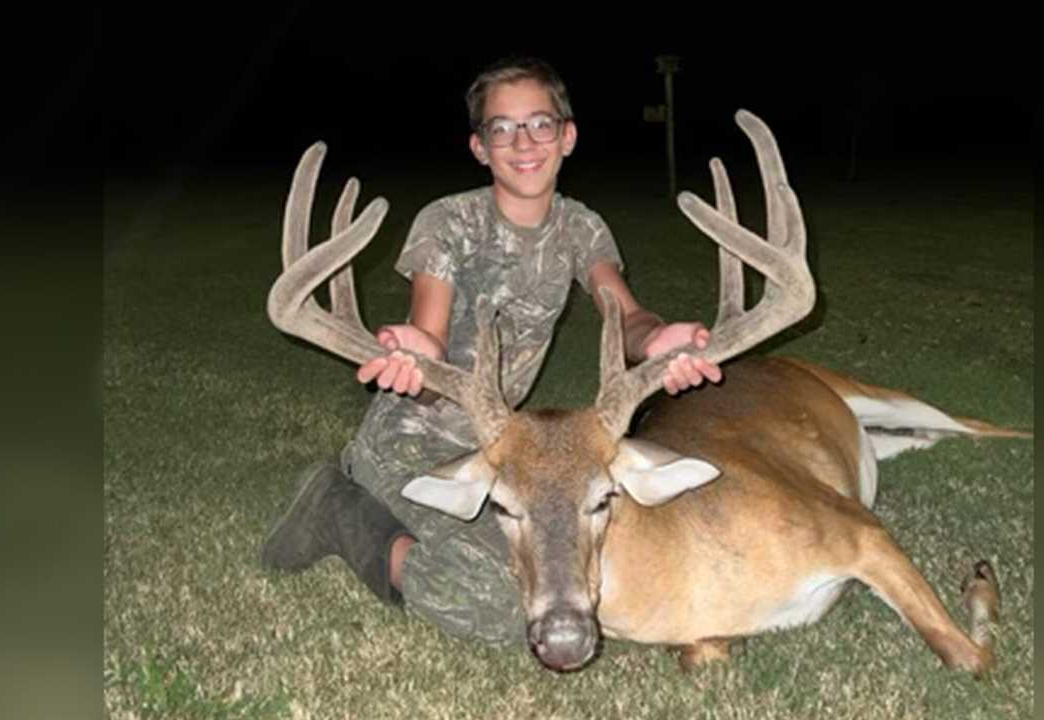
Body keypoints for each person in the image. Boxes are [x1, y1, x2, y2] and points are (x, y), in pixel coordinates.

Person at [260, 57, 722, 644]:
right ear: (480, 147)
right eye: (502, 128)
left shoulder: (581, 228)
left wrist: (655, 340)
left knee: (579, 560)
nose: (523, 142)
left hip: (510, 455)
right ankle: (338, 510)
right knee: (500, 602)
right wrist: (412, 355)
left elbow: (626, 315)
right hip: (412, 443)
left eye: (540, 124)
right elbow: (427, 337)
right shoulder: (448, 223)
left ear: (567, 136)